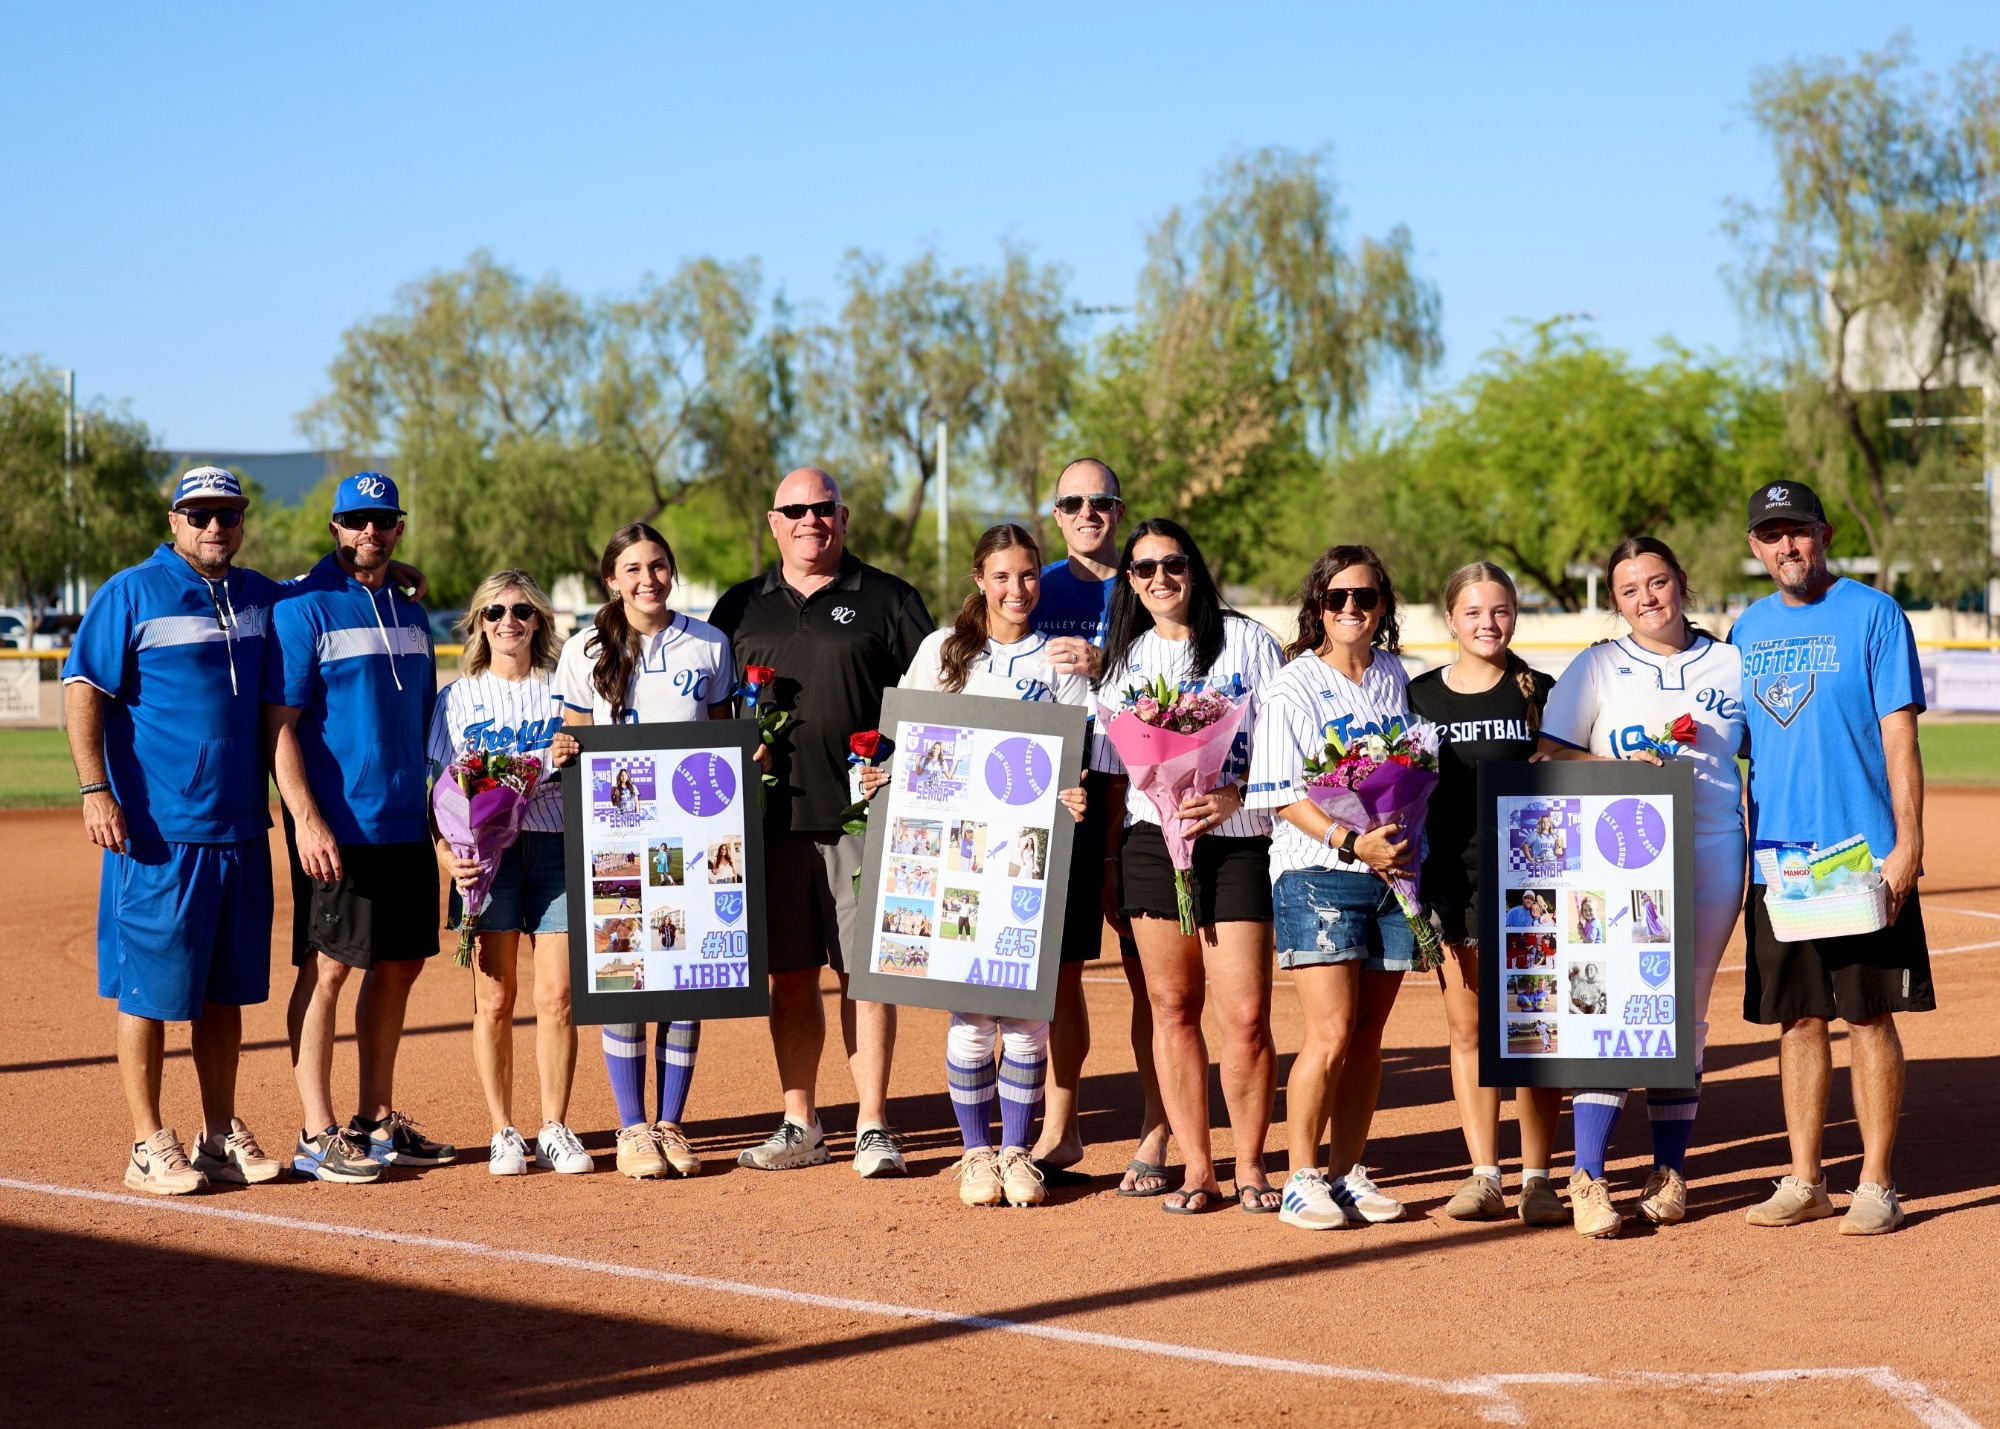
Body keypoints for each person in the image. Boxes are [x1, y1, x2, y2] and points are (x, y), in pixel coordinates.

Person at [62, 466, 286, 1194]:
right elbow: (82, 687)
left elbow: (321, 591)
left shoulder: (259, 595)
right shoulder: (130, 592)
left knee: (224, 995)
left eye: (228, 513)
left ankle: (218, 1134)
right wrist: (95, 789)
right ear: (174, 520)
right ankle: (146, 1142)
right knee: (151, 992)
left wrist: (383, 570)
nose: (215, 525)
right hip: (158, 836)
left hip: (240, 829)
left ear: (242, 521)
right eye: (199, 514)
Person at [709, 467, 934, 1175]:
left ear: (844, 516)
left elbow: (937, 697)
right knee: (791, 977)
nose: (812, 519)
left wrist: (897, 766)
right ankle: (800, 1121)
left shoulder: (890, 598)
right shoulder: (740, 605)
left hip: (862, 822)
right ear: (774, 522)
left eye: (824, 507)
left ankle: (873, 1123)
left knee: (865, 976)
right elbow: (712, 712)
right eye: (796, 509)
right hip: (770, 824)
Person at [1730, 480, 1931, 1236]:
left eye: (1799, 530)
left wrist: (1908, 843)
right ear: (1756, 547)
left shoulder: (1874, 613)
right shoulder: (1745, 629)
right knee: (1798, 1020)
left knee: (1869, 1016)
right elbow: (1729, 744)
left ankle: (1876, 1183)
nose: (1787, 545)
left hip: (1859, 856)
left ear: (1825, 534)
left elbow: (1900, 737)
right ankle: (1806, 1178)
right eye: (1771, 534)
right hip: (1779, 863)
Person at [869, 523, 1090, 1208]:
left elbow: (1074, 758)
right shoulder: (944, 650)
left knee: (1025, 1017)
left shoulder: (1059, 660)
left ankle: (1017, 1152)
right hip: (956, 856)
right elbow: (906, 739)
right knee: (971, 1018)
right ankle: (975, 1154)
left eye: (1027, 575)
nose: (1016, 589)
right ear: (979, 580)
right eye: (1002, 576)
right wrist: (882, 775)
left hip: (1028, 859)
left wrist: (1074, 793)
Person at [1538, 535, 1748, 1237]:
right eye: (1629, 590)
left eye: (1656, 582)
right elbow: (1550, 754)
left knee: (1684, 1008)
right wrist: (1623, 766)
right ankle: (1587, 1175)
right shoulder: (1598, 664)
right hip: (1621, 851)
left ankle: (1668, 1170)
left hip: (1712, 849)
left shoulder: (1729, 662)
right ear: (1615, 600)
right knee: (1613, 1003)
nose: (1647, 598)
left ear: (1680, 580)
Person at [267, 472, 455, 1181]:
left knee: (401, 964)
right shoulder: (301, 607)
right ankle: (315, 1131)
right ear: (334, 526)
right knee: (329, 969)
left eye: (382, 519)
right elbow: (279, 728)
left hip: (406, 820)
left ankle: (374, 1119)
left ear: (398, 527)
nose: (368, 531)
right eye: (355, 520)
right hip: (339, 828)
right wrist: (305, 819)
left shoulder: (411, 613)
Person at [1094, 519, 1284, 1215]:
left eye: (1173, 563)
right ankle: (1199, 1168)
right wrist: (1110, 861)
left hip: (1237, 841)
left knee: (1246, 1016)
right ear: (1131, 581)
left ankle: (1252, 1163)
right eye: (1144, 569)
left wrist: (1236, 794)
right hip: (1152, 845)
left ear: (1194, 568)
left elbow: (1288, 742)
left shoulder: (1249, 641)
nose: (1160, 578)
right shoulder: (1126, 661)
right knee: (1172, 1008)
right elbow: (1115, 774)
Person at [549, 522, 735, 1182]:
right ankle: (632, 1125)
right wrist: (564, 748)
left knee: (683, 978)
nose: (647, 579)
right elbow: (571, 736)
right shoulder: (585, 647)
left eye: (658, 565)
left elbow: (721, 741)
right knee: (627, 975)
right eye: (632, 568)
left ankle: (671, 1121)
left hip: (691, 835)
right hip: (616, 838)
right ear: (612, 579)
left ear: (672, 569)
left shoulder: (709, 643)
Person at [1247, 545, 1418, 1231]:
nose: (1351, 608)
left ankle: (1348, 1171)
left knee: (1368, 1037)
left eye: (1365, 596)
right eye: (1337, 596)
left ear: (1383, 605)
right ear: (1318, 605)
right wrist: (1351, 841)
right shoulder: (1291, 685)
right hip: (1318, 872)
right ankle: (1300, 1177)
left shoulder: (1393, 675)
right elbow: (1280, 794)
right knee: (1331, 1032)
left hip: (1390, 877)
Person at [1405, 562, 1567, 1226]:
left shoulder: (1540, 691)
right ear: (1450, 619)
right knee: (1468, 1028)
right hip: (1453, 878)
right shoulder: (1419, 696)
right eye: (1473, 612)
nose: (1487, 623)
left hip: (1532, 884)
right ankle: (1484, 1175)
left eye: (1499, 610)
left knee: (1532, 1031)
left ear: (1515, 615)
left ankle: (1538, 1178)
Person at [1026, 458, 1164, 1188]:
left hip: (1145, 790)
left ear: (1119, 509)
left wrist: (1105, 661)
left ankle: (1158, 1126)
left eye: (1101, 500)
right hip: (1065, 789)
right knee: (1060, 969)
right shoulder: (1033, 585)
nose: (1088, 512)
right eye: (1073, 502)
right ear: (1057, 514)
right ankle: (1062, 1126)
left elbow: (1185, 670)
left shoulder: (1151, 580)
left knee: (1153, 976)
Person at [428, 570, 591, 1178]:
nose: (508, 622)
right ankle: (503, 1130)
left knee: (558, 997)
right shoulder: (456, 698)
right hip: (485, 860)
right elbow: (435, 787)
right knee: (495, 999)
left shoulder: (565, 691)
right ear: (478, 622)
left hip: (556, 847)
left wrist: (576, 750)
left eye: (522, 611)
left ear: (539, 620)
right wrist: (445, 854)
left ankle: (554, 1125)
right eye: (494, 612)